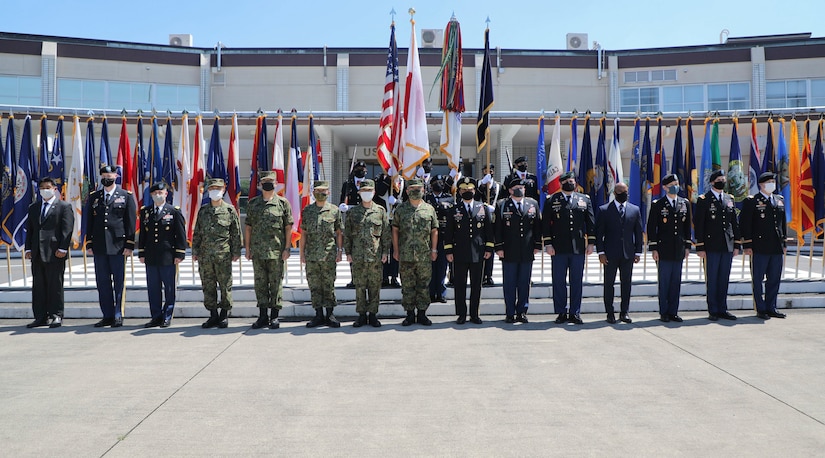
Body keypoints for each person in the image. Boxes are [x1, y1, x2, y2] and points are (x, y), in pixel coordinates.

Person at [85, 165, 136, 328]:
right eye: (104, 175)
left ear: (116, 176)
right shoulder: (94, 197)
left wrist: (129, 243)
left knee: (119, 282)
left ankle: (118, 313)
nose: (107, 177)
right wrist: (89, 242)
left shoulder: (125, 196)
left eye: (110, 174)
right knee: (102, 282)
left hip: (118, 246)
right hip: (100, 246)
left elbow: (130, 222)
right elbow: (89, 221)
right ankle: (107, 315)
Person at [543, 171, 595, 325]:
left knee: (576, 281)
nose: (570, 183)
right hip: (558, 248)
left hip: (578, 248)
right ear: (560, 184)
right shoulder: (552, 200)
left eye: (572, 180)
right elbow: (546, 224)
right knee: (558, 281)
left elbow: (591, 223)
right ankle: (561, 312)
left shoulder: (584, 199)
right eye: (567, 181)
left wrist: (591, 243)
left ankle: (575, 312)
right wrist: (548, 244)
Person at [245, 171, 294, 329]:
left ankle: (274, 316)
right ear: (259, 184)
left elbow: (288, 228)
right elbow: (248, 228)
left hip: (276, 251)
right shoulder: (253, 204)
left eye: (270, 181)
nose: (267, 183)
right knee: (260, 284)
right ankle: (262, 316)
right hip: (258, 252)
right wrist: (247, 248)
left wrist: (287, 248)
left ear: (276, 183)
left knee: (275, 284)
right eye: (264, 180)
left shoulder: (283, 203)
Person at [191, 178, 242, 329]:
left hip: (223, 255)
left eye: (217, 188)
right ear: (208, 190)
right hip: (205, 256)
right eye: (212, 188)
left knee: (225, 286)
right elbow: (198, 233)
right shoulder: (203, 211)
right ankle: (213, 315)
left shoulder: (229, 210)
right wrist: (195, 251)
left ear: (223, 190)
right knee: (208, 286)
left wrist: (236, 251)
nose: (215, 190)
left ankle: (224, 315)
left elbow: (236, 233)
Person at [24, 177, 74, 328]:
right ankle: (40, 316)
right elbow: (30, 230)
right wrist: (28, 249)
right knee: (38, 286)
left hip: (55, 252)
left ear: (54, 189)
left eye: (48, 187)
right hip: (37, 252)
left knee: (55, 285)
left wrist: (63, 248)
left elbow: (67, 229)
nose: (45, 190)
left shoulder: (64, 206)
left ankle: (56, 315)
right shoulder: (34, 207)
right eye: (42, 188)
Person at [444, 177, 493, 324]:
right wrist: (449, 251)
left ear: (474, 191)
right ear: (459, 191)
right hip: (459, 253)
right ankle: (461, 314)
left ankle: (474, 314)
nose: (467, 192)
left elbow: (489, 231)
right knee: (459, 285)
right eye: (464, 190)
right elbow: (448, 233)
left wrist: (489, 248)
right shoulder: (453, 209)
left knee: (477, 285)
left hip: (478, 253)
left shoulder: (482, 208)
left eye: (470, 189)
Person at [694, 169, 741, 321]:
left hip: (727, 245)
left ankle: (723, 308)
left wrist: (737, 244)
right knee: (712, 279)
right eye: (719, 179)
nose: (722, 181)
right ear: (713, 182)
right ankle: (713, 310)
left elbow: (734, 222)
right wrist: (700, 246)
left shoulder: (729, 199)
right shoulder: (703, 199)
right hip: (711, 245)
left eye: (723, 179)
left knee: (724, 278)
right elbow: (699, 224)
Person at [343, 179, 391, 327]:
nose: (366, 194)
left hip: (375, 256)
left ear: (374, 192)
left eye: (369, 191)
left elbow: (386, 233)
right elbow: (348, 234)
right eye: (364, 191)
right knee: (360, 287)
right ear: (359, 193)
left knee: (375, 286)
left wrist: (385, 252)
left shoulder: (380, 211)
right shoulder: (353, 212)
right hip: (358, 256)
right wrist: (348, 253)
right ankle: (362, 315)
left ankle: (373, 315)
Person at [138, 182, 186, 328]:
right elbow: (143, 235)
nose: (158, 195)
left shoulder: (173, 211)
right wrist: (141, 252)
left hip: (168, 256)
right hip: (151, 256)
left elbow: (180, 235)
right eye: (155, 193)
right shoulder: (146, 212)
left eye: (161, 192)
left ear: (166, 194)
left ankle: (167, 316)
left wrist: (179, 253)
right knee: (153, 288)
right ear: (151, 195)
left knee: (169, 288)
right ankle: (156, 316)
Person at [494, 178, 542, 323]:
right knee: (509, 283)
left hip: (527, 250)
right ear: (510, 190)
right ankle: (510, 312)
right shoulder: (502, 205)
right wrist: (499, 247)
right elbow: (497, 228)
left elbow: (537, 227)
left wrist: (537, 245)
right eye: (516, 187)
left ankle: (522, 311)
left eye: (522, 187)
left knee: (524, 282)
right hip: (509, 250)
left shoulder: (532, 204)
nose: (520, 189)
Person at [740, 172, 787, 320]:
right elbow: (745, 224)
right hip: (759, 246)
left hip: (776, 246)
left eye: (773, 181)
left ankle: (771, 307)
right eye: (769, 182)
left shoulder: (779, 200)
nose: (772, 184)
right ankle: (760, 308)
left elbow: (782, 223)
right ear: (761, 184)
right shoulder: (752, 201)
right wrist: (747, 244)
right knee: (758, 279)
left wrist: (784, 242)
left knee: (774, 279)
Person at [392, 178, 439, 326]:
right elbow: (395, 230)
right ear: (406, 191)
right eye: (412, 189)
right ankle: (410, 314)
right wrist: (396, 250)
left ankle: (422, 314)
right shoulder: (400, 209)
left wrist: (434, 249)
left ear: (424, 190)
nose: (415, 191)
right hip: (405, 254)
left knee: (423, 285)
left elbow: (434, 230)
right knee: (407, 285)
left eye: (418, 189)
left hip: (424, 254)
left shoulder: (429, 209)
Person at [595, 182, 643, 324]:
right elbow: (599, 234)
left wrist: (638, 252)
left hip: (628, 253)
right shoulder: (604, 210)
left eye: (626, 192)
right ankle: (610, 312)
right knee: (609, 283)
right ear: (615, 193)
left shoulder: (634, 210)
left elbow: (638, 233)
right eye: (621, 192)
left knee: (626, 283)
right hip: (610, 254)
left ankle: (624, 312)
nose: (624, 194)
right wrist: (601, 252)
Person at [647, 174, 692, 322]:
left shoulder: (684, 203)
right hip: (663, 248)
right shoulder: (658, 204)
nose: (675, 186)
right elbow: (652, 227)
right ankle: (664, 312)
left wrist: (687, 246)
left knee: (675, 282)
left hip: (678, 248)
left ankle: (673, 311)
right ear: (665, 187)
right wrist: (654, 248)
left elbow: (687, 227)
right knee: (665, 282)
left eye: (677, 183)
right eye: (672, 184)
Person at [300, 180, 344, 328]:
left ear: (328, 192)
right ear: (313, 193)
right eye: (318, 191)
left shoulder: (334, 210)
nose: (321, 194)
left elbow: (339, 233)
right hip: (312, 255)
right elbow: (304, 233)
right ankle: (318, 315)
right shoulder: (307, 211)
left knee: (328, 285)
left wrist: (339, 251)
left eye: (324, 191)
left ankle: (330, 314)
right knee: (314, 285)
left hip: (329, 255)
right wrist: (301, 253)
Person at [339, 160, 368, 288]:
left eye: (363, 169)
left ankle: (367, 279)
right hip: (352, 220)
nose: (361, 171)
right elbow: (342, 200)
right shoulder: (348, 184)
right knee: (352, 249)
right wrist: (343, 206)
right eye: (359, 169)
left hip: (366, 219)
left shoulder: (369, 184)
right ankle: (354, 279)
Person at [426, 174, 453, 304]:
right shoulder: (426, 198)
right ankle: (431, 292)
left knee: (442, 266)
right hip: (428, 237)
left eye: (441, 182)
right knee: (430, 266)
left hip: (443, 236)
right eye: (436, 182)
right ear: (431, 185)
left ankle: (441, 293)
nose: (439, 184)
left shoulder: (449, 198)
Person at [476, 163, 503, 286]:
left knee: (490, 248)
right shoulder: (479, 185)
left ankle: (489, 275)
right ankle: (481, 276)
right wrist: (482, 185)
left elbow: (502, 201)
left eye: (491, 170)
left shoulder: (499, 186)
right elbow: (475, 199)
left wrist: (494, 209)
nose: (489, 172)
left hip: (494, 220)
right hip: (481, 221)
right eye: (486, 170)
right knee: (481, 248)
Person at [375, 173, 401, 288]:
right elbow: (379, 192)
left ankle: (394, 277)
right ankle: (384, 277)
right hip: (383, 219)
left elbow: (406, 200)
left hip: (396, 220)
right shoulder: (380, 179)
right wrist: (387, 180)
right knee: (383, 249)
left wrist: (396, 202)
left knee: (395, 249)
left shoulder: (402, 180)